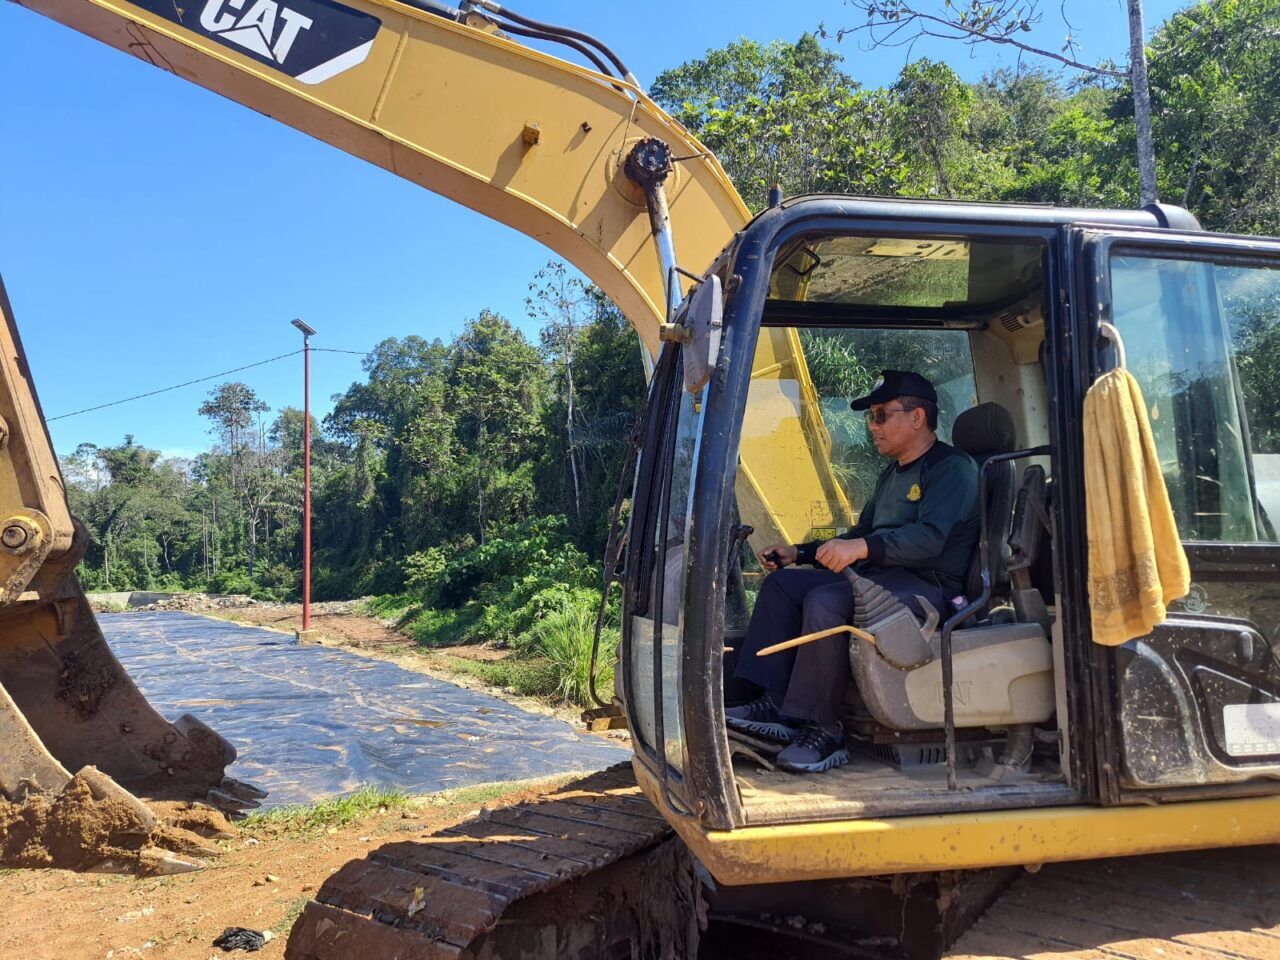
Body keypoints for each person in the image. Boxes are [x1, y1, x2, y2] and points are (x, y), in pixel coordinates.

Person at [726, 370, 979, 773]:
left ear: (917, 417)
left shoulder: (953, 469)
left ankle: (824, 731)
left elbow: (931, 539)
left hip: (929, 588)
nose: (872, 426)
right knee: (784, 584)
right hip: (884, 577)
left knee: (826, 600)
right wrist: (800, 552)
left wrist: (862, 548)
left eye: (881, 415)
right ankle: (774, 705)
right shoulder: (892, 474)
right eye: (870, 417)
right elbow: (864, 533)